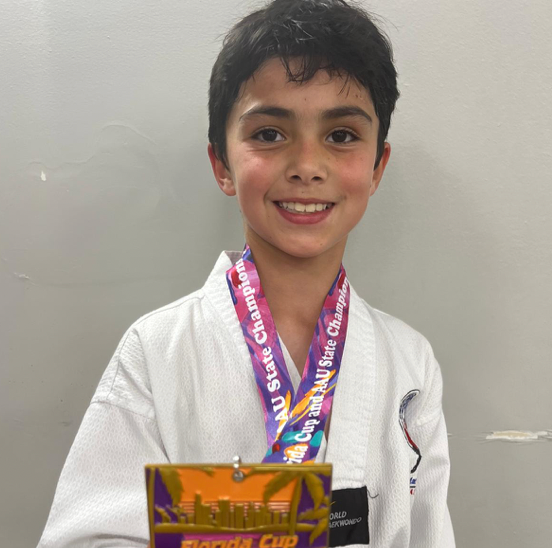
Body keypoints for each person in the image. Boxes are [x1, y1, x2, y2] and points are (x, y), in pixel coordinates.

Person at [37, 0, 455, 546]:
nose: (307, 165)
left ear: (377, 167)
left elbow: (429, 534)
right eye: (269, 134)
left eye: (341, 135)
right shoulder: (158, 351)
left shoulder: (410, 361)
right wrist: (269, 520)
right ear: (222, 165)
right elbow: (89, 534)